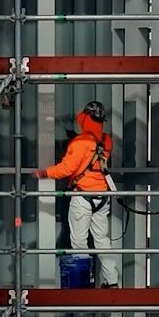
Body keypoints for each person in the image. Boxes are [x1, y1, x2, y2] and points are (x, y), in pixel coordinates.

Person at [37, 100, 118, 289]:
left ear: (86, 117)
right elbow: (93, 151)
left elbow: (66, 168)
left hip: (82, 197)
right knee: (102, 240)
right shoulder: (107, 140)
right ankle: (112, 281)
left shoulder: (80, 142)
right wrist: (77, 140)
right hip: (102, 197)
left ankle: (81, 283)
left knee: (79, 241)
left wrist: (44, 173)